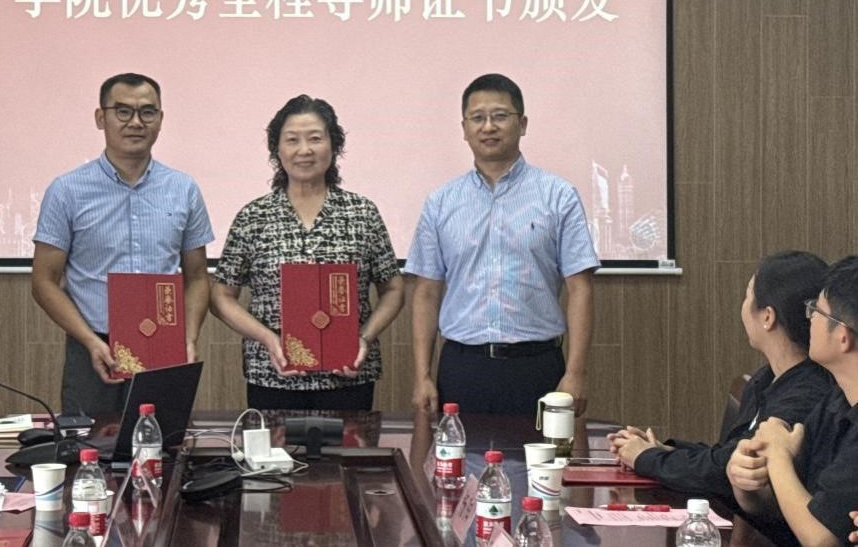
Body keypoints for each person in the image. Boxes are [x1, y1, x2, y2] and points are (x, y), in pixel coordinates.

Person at [405, 73, 599, 417]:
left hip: (537, 365)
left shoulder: (558, 196)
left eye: (500, 116)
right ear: (464, 128)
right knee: (460, 454)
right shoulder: (441, 202)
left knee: (543, 455)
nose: (488, 127)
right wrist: (422, 375)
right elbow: (426, 293)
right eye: (477, 118)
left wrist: (576, 373)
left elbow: (580, 289)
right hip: (462, 366)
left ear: (522, 124)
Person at [31, 73, 214, 415]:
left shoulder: (183, 188)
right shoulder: (67, 190)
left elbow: (198, 277)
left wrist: (187, 338)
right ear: (101, 118)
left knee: (165, 441)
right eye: (123, 111)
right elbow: (43, 281)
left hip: (164, 348)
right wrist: (89, 341)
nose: (136, 122)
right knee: (90, 444)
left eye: (147, 112)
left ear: (160, 119)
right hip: (94, 347)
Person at [210, 95, 404, 410]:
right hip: (272, 376)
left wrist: (364, 338)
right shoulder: (254, 216)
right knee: (273, 446)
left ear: (334, 145)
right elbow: (221, 296)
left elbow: (393, 289)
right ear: (277, 150)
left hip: (348, 376)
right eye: (292, 140)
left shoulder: (362, 212)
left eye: (315, 138)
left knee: (351, 445)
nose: (304, 150)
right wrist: (268, 339)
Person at [608, 250, 833, 504]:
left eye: (748, 296)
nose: (743, 306)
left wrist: (647, 458)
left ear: (767, 317)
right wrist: (663, 450)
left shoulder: (806, 395)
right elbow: (727, 453)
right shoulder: (767, 377)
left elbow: (726, 470)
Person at [728, 255, 858, 547]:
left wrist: (778, 455)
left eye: (817, 311)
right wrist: (747, 484)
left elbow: (822, 539)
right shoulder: (836, 400)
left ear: (843, 336)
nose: (808, 318)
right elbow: (790, 506)